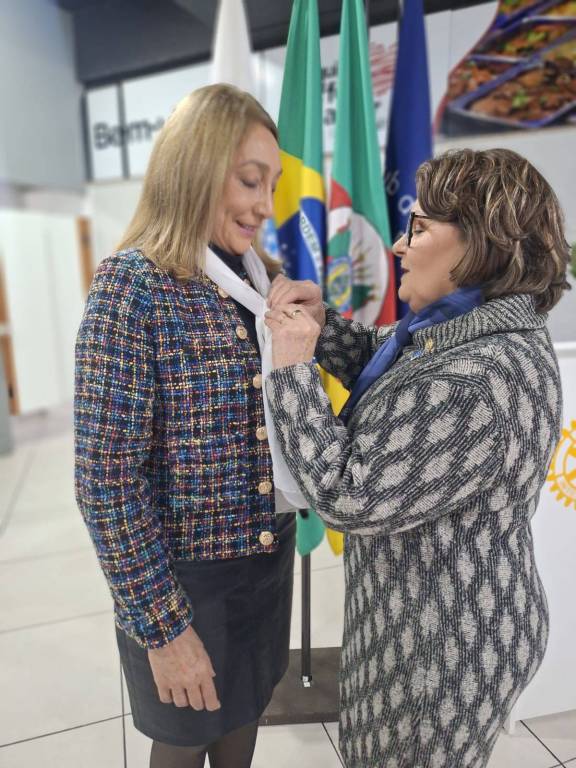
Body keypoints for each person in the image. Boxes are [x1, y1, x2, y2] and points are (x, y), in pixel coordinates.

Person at [264, 148, 571, 768]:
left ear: (481, 244)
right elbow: (400, 371)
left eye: (421, 227)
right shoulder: (480, 329)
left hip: (438, 654)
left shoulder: (474, 381)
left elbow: (347, 495)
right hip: (434, 621)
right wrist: (323, 328)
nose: (399, 245)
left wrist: (294, 369)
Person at [75, 84, 294, 768]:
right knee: (184, 739)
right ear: (195, 168)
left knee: (243, 720)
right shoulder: (132, 287)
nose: (266, 205)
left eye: (271, 184)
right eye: (250, 181)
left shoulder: (261, 278)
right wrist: (164, 628)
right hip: (184, 582)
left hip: (265, 562)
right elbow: (106, 482)